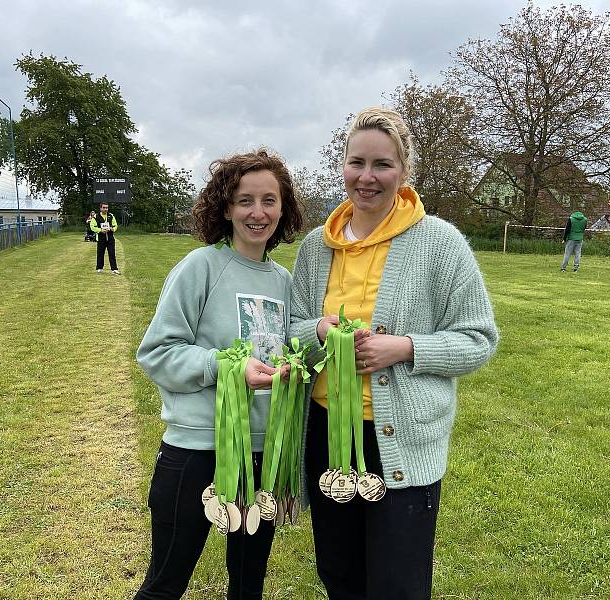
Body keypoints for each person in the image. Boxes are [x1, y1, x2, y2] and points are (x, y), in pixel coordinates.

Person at [289, 107, 499, 600]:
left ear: (404, 172)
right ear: (341, 166)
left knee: (397, 585)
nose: (367, 177)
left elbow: (478, 338)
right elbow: (291, 330)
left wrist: (404, 348)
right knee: (339, 576)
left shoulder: (440, 243)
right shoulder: (316, 249)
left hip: (401, 439)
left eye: (382, 164)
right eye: (356, 162)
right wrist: (319, 330)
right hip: (326, 433)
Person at [134, 149, 303, 600]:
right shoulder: (201, 267)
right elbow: (156, 353)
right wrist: (223, 366)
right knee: (166, 582)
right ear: (226, 207)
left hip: (260, 455)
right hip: (196, 451)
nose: (258, 212)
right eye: (245, 200)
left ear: (283, 208)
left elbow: (288, 351)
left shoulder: (285, 282)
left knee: (249, 584)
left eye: (270, 200)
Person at [91, 202, 120, 273]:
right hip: (101, 237)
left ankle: (114, 269)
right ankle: (99, 268)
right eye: (104, 207)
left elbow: (115, 225)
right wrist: (100, 230)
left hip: (110, 237)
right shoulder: (96, 217)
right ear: (100, 208)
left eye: (106, 207)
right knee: (100, 253)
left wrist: (111, 229)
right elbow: (92, 226)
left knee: (112, 253)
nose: (105, 209)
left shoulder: (111, 216)